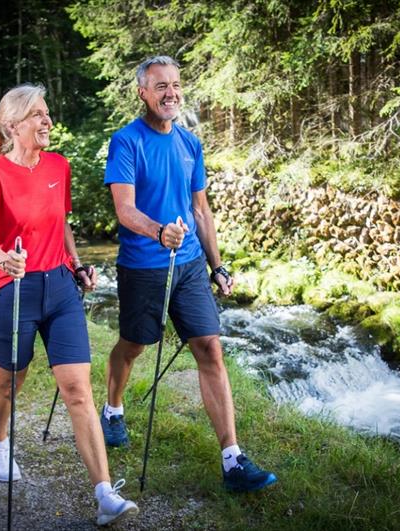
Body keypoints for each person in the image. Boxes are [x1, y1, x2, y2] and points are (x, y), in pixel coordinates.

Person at [101, 56, 277, 493]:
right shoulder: (126, 141)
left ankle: (233, 460)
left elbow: (201, 210)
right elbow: (124, 210)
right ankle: (113, 409)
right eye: (161, 86)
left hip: (190, 264)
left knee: (209, 349)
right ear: (143, 93)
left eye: (176, 85)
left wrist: (218, 265)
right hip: (144, 265)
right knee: (134, 345)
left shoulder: (190, 143)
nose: (171, 93)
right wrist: (159, 231)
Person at [0, 83, 138, 525]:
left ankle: (105, 494)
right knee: (9, 385)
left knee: (78, 390)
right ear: (12, 126)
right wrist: (5, 259)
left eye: (47, 113)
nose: (47, 121)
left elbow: (60, 223)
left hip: (61, 290)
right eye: (37, 115)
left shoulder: (59, 166)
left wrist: (77, 265)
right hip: (15, 290)